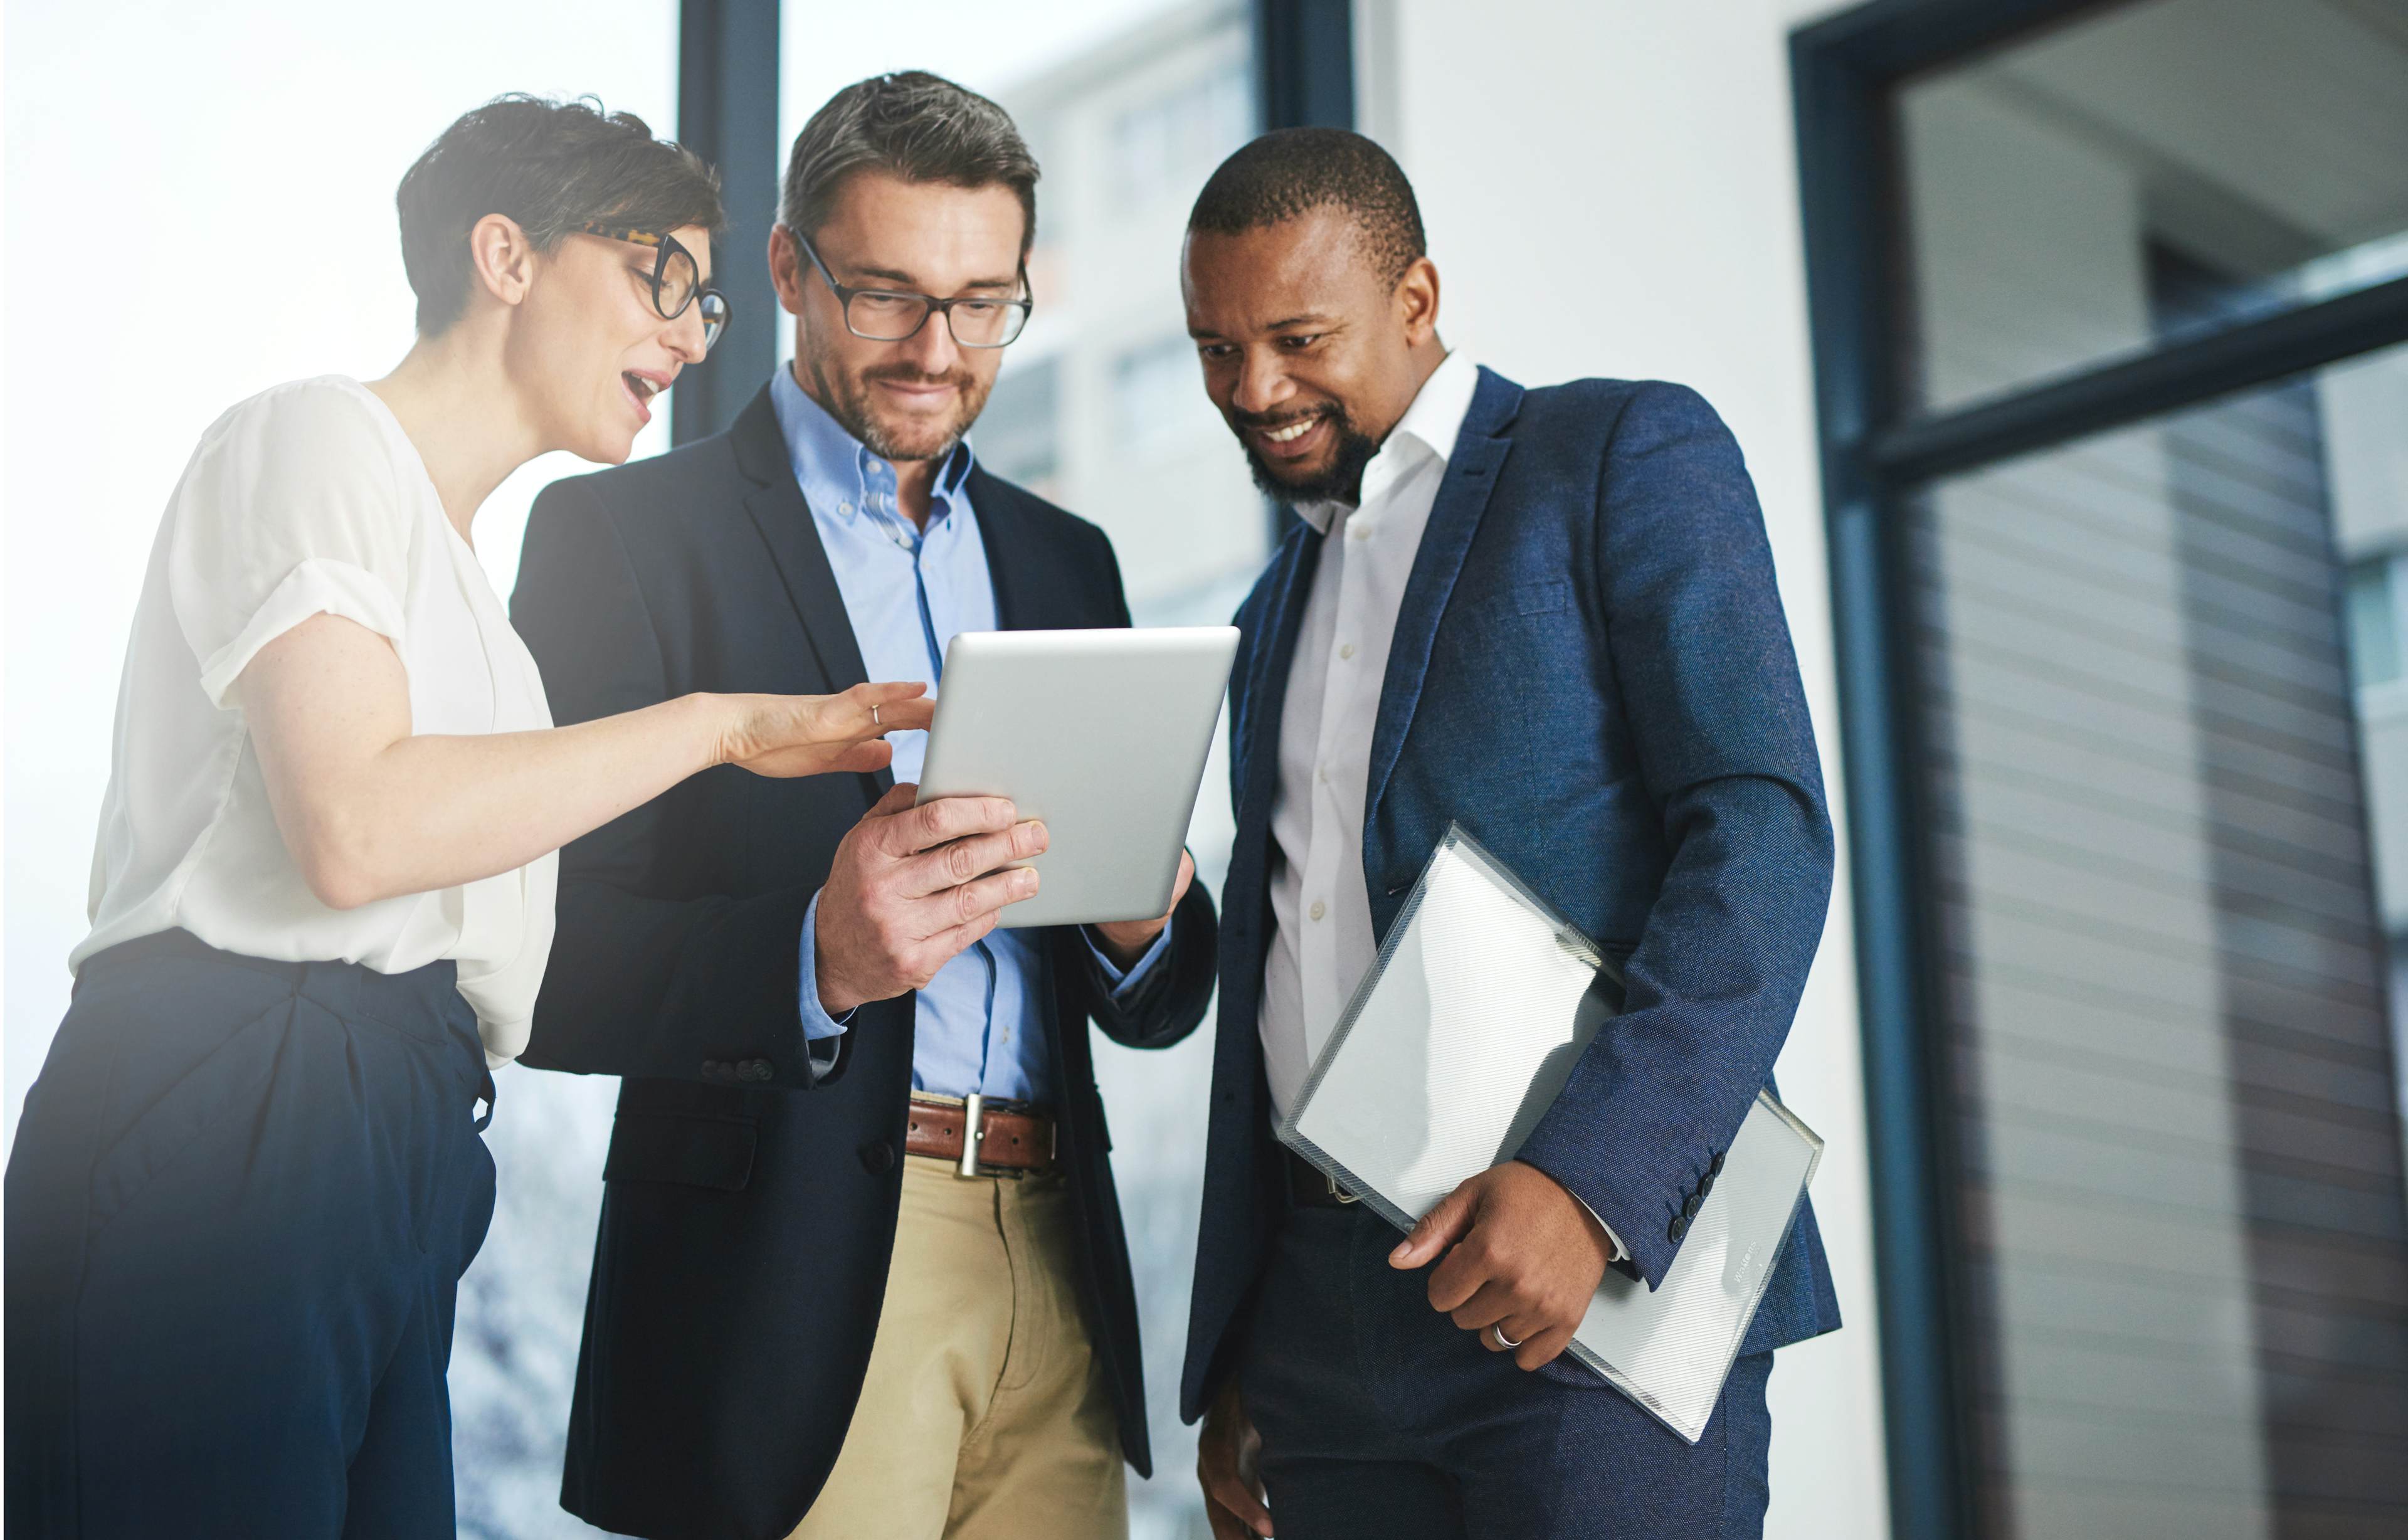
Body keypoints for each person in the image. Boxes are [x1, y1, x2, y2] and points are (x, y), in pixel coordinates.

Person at [2, 97, 929, 1540]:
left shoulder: (482, 626)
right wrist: (718, 726)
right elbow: (357, 829)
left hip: (407, 1126)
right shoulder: (313, 438)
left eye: (706, 304)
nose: (692, 341)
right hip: (238, 1089)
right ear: (506, 255)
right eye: (662, 278)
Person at [509, 70, 1219, 1540]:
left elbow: (1160, 1003)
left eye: (982, 304)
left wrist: (1146, 917)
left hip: (1060, 1267)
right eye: (888, 296)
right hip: (792, 1284)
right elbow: (544, 962)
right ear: (788, 270)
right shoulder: (623, 539)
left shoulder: (1068, 561)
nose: (937, 350)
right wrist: (814, 956)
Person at [1178, 129, 1842, 1540]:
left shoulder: (1616, 453)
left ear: (1416, 299)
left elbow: (1764, 829)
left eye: (1299, 340)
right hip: (1321, 1335)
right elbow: (1284, 952)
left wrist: (1591, 1189)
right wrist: (1247, 1339)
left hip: (1590, 1287)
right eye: (1216, 350)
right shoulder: (1267, 610)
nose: (1255, 390)